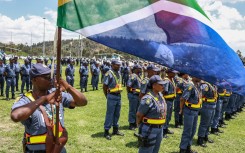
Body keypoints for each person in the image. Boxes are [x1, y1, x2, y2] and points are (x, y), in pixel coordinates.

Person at [10, 63, 87, 153]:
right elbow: (15, 116)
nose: (50, 79)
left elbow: (83, 102)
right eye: (46, 77)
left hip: (58, 148)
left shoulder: (56, 93)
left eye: (50, 76)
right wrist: (43, 99)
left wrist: (67, 86)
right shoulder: (26, 99)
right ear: (35, 80)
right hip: (37, 150)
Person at [136, 75, 167, 153]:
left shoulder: (160, 95)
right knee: (146, 150)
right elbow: (139, 115)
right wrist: (140, 126)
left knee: (155, 150)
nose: (163, 86)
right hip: (149, 129)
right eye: (160, 84)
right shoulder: (148, 99)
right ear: (153, 86)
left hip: (159, 128)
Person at [179, 77, 202, 153]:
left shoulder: (197, 85)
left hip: (195, 111)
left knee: (193, 130)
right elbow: (183, 99)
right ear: (194, 76)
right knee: (187, 131)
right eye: (199, 76)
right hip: (189, 110)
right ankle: (183, 149)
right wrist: (181, 109)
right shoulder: (190, 85)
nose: (201, 77)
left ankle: (188, 147)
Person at [103, 59, 124, 140]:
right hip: (111, 96)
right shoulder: (109, 73)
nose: (119, 66)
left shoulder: (118, 73)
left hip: (118, 96)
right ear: (112, 65)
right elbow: (105, 86)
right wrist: (107, 96)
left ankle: (115, 129)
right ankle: (106, 131)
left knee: (117, 113)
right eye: (117, 65)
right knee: (110, 114)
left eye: (119, 65)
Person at [197, 81, 217, 147]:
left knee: (210, 123)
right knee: (204, 123)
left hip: (212, 105)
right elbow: (200, 95)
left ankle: (206, 136)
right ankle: (200, 139)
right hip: (207, 106)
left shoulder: (213, 84)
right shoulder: (205, 85)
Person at [162, 69, 177, 138]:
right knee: (166, 115)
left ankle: (166, 127)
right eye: (173, 73)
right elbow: (164, 91)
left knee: (169, 115)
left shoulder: (171, 79)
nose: (175, 74)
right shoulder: (166, 80)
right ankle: (163, 131)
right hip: (167, 100)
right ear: (169, 73)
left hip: (171, 100)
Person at [127, 64, 142, 130]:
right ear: (135, 69)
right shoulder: (133, 76)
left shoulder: (138, 76)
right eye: (139, 68)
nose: (140, 69)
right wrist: (129, 94)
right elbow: (128, 85)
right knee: (132, 110)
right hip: (133, 95)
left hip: (137, 95)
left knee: (137, 110)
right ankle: (131, 124)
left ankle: (136, 123)